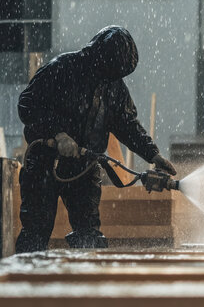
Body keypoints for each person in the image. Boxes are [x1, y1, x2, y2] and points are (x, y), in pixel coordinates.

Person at [16, 25, 176, 252]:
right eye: (111, 73)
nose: (112, 79)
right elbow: (27, 105)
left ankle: (86, 284)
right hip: (44, 163)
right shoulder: (62, 68)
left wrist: (153, 154)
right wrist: (58, 134)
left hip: (84, 167)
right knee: (36, 230)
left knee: (89, 235)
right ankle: (24, 282)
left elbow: (127, 124)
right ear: (99, 58)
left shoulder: (114, 86)